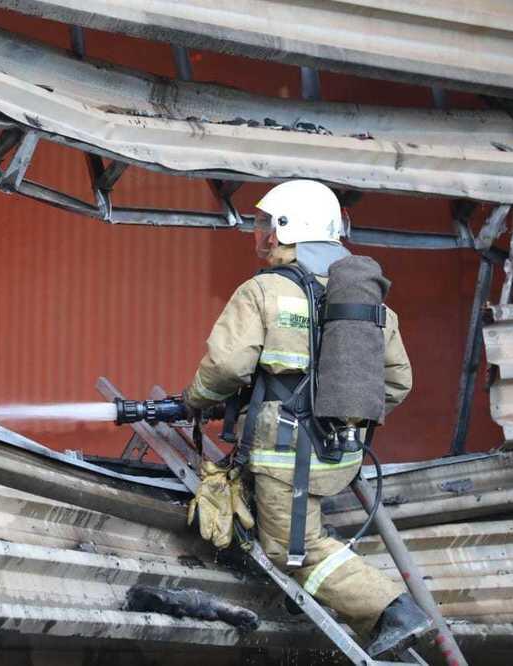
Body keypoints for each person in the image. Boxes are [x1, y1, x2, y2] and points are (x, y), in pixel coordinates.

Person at [183, 180, 431, 656]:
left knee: (289, 550)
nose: (259, 235)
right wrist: (345, 419)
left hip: (284, 454)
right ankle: (321, 591)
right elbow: (397, 383)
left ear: (286, 229)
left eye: (264, 224)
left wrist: (196, 400)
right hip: (342, 456)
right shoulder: (365, 303)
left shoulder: (263, 292)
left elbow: (226, 367)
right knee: (293, 528)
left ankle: (391, 608)